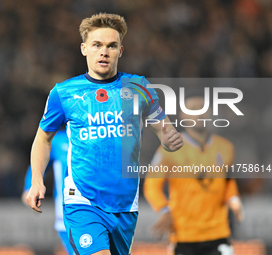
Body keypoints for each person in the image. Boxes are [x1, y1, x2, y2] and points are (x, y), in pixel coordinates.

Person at [26, 13, 183, 255]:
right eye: (97, 45)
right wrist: (37, 180)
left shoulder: (139, 87)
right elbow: (43, 138)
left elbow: (164, 131)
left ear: (121, 50)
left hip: (125, 205)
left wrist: (170, 140)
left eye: (111, 46)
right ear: (84, 49)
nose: (104, 52)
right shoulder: (64, 93)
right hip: (82, 201)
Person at [144, 94, 244, 255]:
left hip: (218, 232)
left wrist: (234, 199)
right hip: (183, 235)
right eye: (193, 108)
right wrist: (164, 210)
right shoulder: (168, 150)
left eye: (203, 107)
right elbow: (151, 186)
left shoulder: (225, 147)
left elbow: (227, 181)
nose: (199, 112)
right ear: (182, 115)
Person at [21, 130, 75, 255]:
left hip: (106, 206)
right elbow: (39, 162)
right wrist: (30, 187)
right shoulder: (57, 140)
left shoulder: (98, 132)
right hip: (67, 210)